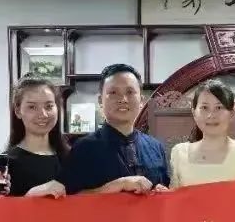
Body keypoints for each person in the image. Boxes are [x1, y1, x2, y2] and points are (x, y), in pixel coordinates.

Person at [60, 64, 170, 194]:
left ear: (141, 101)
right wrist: (117, 185)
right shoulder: (83, 148)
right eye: (113, 92)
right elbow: (70, 199)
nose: (123, 99)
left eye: (130, 92)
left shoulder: (156, 147)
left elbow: (165, 188)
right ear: (100, 101)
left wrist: (162, 192)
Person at [170, 80, 235, 187]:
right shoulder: (179, 152)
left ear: (232, 113)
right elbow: (175, 195)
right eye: (204, 108)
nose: (211, 115)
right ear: (194, 113)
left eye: (219, 108)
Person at [6, 74, 68, 198]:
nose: (43, 114)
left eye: (49, 106)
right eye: (32, 107)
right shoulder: (6, 164)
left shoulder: (72, 158)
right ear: (18, 111)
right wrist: (30, 197)